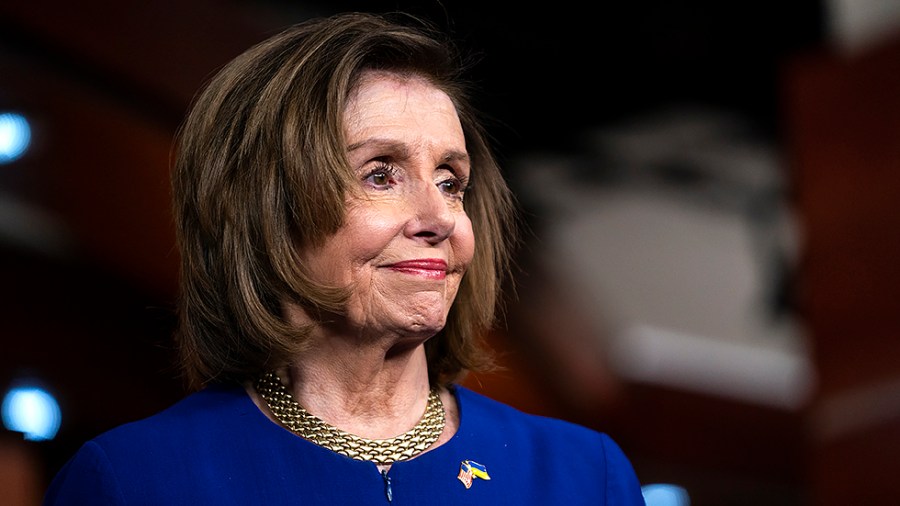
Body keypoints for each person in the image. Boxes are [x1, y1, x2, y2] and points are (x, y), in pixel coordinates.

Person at [43, 11, 645, 505]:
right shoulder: (132, 480)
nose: (438, 219)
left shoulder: (585, 477)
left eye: (449, 181)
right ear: (265, 209)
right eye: (380, 175)